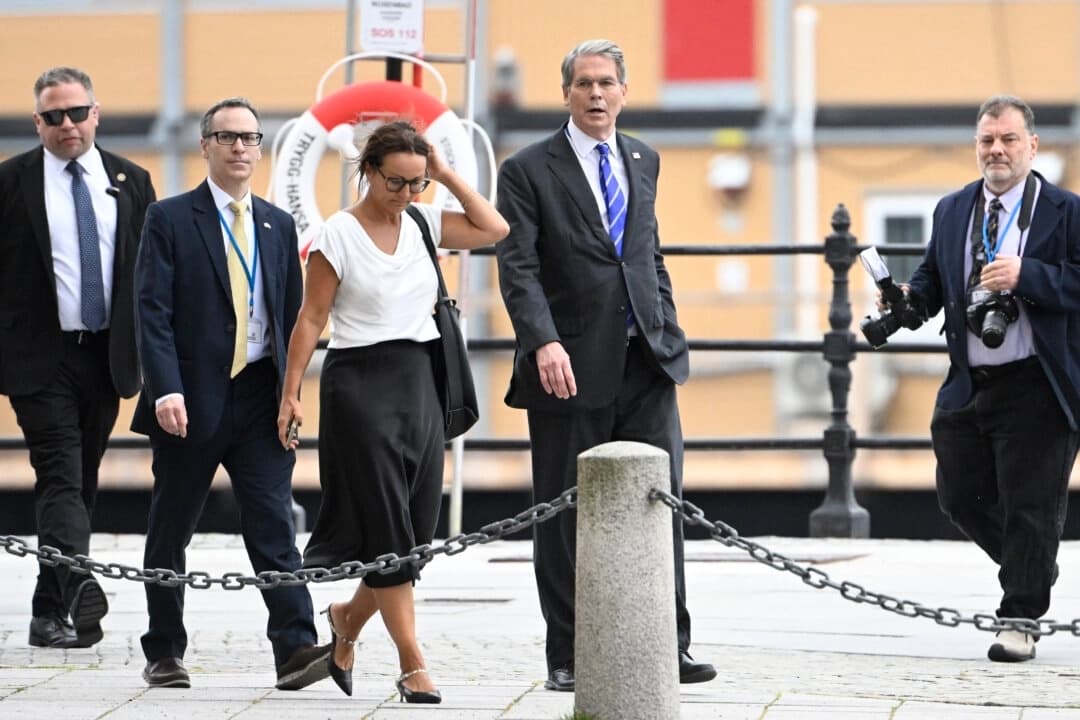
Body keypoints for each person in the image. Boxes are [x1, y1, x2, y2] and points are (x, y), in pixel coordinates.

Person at [494, 39, 716, 691]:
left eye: (608, 83)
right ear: (566, 92)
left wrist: (667, 323)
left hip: (648, 357)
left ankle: (668, 644)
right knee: (564, 513)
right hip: (567, 363)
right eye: (584, 83)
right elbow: (519, 266)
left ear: (624, 90)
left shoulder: (644, 158)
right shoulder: (528, 168)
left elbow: (647, 254)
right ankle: (567, 653)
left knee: (661, 503)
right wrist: (543, 341)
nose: (596, 94)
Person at [277, 120, 508, 701]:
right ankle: (412, 664)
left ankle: (346, 622)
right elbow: (311, 319)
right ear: (368, 171)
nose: (407, 194)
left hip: (421, 383)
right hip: (360, 387)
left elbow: (495, 228)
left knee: (416, 528)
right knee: (388, 527)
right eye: (396, 182)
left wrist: (447, 172)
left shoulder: (425, 223)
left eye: (417, 183)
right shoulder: (338, 234)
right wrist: (290, 392)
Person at [131, 97, 330, 689]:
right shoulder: (169, 218)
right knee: (173, 525)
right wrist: (165, 389)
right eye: (227, 137)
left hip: (260, 397)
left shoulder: (277, 223)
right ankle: (164, 649)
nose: (240, 147)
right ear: (206, 146)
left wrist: (291, 394)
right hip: (189, 400)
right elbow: (153, 313)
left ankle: (295, 649)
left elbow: (295, 319)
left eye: (249, 138)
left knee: (272, 521)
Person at [906, 95, 1080, 663]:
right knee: (958, 494)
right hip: (970, 379)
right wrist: (907, 298)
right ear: (976, 146)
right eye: (987, 140)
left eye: (1008, 139)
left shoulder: (1065, 211)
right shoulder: (953, 209)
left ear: (1033, 145)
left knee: (1031, 504)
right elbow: (932, 278)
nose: (997, 150)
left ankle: (1020, 617)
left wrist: (1027, 274)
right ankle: (1033, 564)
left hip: (1038, 381)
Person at [0, 67, 155, 649]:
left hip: (107, 356)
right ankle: (80, 581)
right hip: (39, 360)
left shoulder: (131, 181)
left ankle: (49, 611)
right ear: (38, 122)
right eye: (53, 116)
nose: (67, 125)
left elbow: (148, 276)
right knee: (60, 471)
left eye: (76, 113)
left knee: (79, 481)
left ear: (96, 113)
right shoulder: (11, 182)